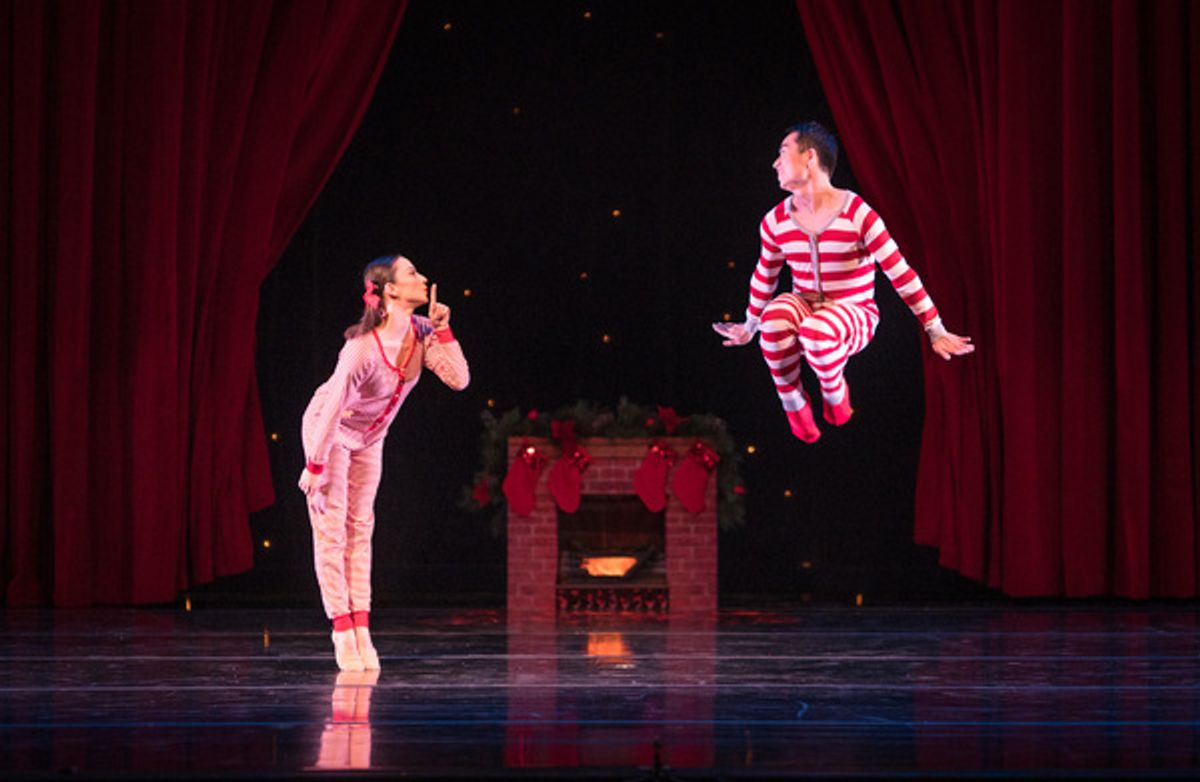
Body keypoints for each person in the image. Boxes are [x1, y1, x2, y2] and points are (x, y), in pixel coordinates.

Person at [713, 121, 973, 442]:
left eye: (783, 153)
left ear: (809, 158)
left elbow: (899, 272)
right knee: (774, 320)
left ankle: (835, 394)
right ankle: (794, 404)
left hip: (854, 312)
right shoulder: (775, 221)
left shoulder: (858, 214)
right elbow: (765, 275)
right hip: (804, 306)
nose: (775, 163)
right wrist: (750, 326)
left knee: (816, 332)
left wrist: (934, 328)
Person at [298, 254, 469, 671]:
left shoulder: (422, 331)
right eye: (412, 273)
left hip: (370, 439)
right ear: (389, 289)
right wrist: (315, 465)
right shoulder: (361, 349)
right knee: (332, 530)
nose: (423, 277)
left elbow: (459, 379)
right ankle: (341, 629)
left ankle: (362, 627)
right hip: (331, 432)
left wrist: (443, 331)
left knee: (361, 528)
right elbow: (333, 405)